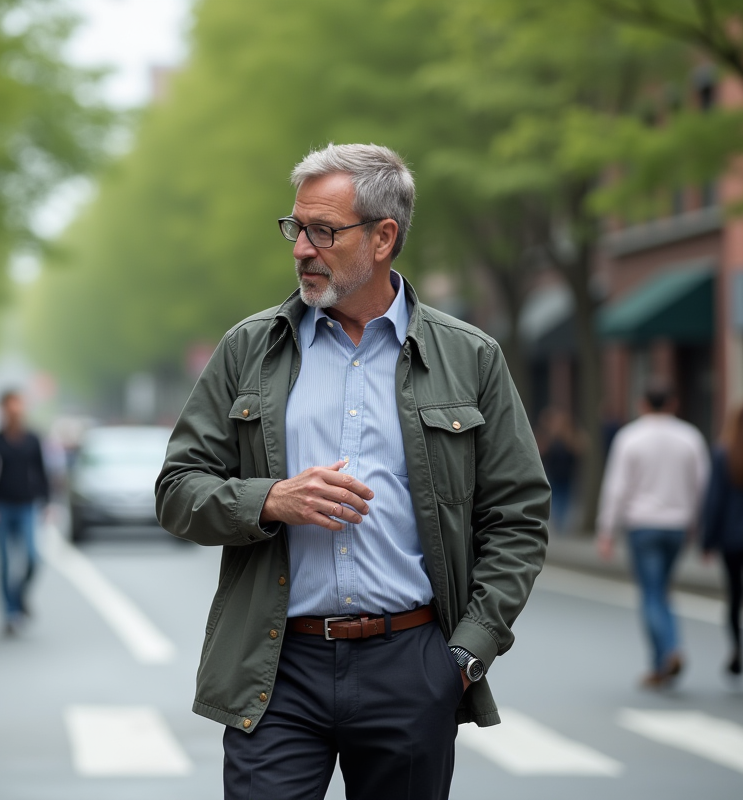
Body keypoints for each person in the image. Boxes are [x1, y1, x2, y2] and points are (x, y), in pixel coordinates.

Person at [155, 143, 550, 800]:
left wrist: (465, 653)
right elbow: (176, 492)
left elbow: (518, 514)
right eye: (295, 228)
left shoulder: (470, 356)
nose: (301, 249)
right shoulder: (249, 349)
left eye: (323, 232)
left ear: (383, 237)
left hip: (414, 663)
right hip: (275, 665)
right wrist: (271, 499)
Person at [596, 383, 709, 689]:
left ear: (642, 404)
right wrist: (700, 526)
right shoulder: (690, 437)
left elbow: (616, 487)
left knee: (651, 593)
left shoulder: (630, 437)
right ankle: (663, 661)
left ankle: (667, 654)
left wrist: (606, 529)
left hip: (642, 524)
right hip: (678, 524)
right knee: (663, 590)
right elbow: (702, 484)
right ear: (672, 403)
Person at [701, 402, 743, 695]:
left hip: (733, 538)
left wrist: (708, 540)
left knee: (735, 598)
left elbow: (715, 501)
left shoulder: (723, 454)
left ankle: (738, 651)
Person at [0, 390, 50, 636]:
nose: (14, 411)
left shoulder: (32, 439)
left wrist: (46, 501)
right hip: (1, 506)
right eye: (9, 407)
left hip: (26, 505)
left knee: (32, 558)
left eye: (18, 406)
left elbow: (41, 471)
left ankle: (19, 596)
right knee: (5, 562)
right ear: (3, 410)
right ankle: (10, 613)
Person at [536, 406, 583, 535]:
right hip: (555, 474)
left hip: (566, 475)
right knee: (557, 498)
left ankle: (560, 523)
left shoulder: (570, 438)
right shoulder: (551, 438)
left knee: (564, 499)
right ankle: (558, 522)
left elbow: (579, 452)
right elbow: (542, 453)